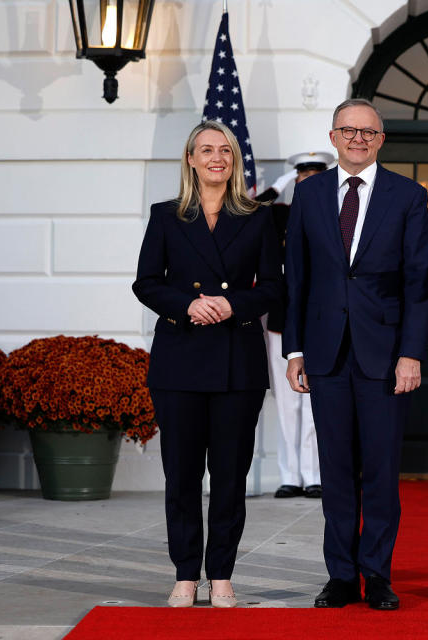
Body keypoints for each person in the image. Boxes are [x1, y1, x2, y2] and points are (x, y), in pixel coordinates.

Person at [284, 98, 428, 610]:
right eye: (348, 131)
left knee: (381, 471)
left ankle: (378, 575)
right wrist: (295, 348)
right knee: (337, 471)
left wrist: (411, 353)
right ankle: (341, 577)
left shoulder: (409, 196)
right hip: (325, 353)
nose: (358, 139)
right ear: (333, 137)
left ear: (381, 140)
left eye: (368, 133)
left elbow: (419, 284)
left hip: (385, 356)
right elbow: (297, 279)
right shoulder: (309, 196)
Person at [133, 121, 281, 608]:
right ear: (190, 159)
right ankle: (183, 574)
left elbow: (273, 287)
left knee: (230, 476)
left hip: (237, 361)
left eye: (225, 150)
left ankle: (220, 575)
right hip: (180, 360)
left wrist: (233, 305)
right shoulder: (166, 216)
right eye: (207, 150)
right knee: (181, 475)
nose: (217, 157)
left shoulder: (258, 217)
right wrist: (186, 305)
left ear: (234, 160)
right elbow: (147, 282)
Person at [257, 151, 334, 499]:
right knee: (288, 403)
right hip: (280, 319)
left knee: (317, 403)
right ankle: (290, 475)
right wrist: (280, 186)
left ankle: (315, 474)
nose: (309, 186)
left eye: (316, 178)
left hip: (321, 319)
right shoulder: (278, 216)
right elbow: (247, 213)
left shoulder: (335, 212)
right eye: (303, 179)